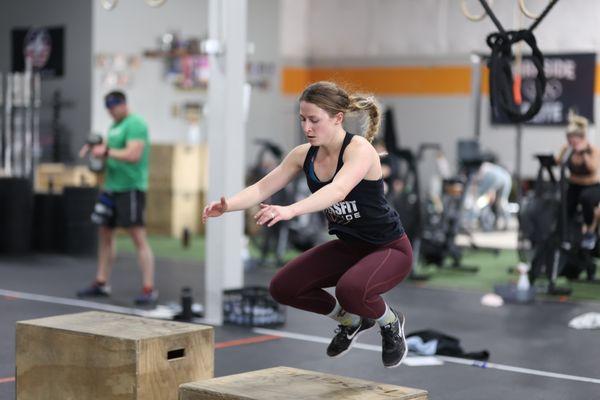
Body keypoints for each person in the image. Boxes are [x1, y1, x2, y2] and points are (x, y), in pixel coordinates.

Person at [203, 81, 412, 368]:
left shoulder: (359, 150)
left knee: (350, 290)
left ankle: (390, 323)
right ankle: (350, 321)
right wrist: (228, 206)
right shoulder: (303, 155)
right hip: (349, 248)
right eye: (303, 119)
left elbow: (337, 191)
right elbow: (263, 187)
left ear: (338, 118)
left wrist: (290, 210)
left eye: (314, 120)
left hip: (389, 249)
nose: (307, 127)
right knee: (283, 287)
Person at [77, 90, 157, 305]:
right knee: (105, 235)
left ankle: (148, 288)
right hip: (110, 188)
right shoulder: (113, 127)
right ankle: (101, 282)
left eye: (113, 108)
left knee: (138, 237)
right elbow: (109, 153)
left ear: (123, 104)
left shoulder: (135, 124)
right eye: (108, 109)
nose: (110, 113)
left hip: (131, 188)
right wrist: (96, 151)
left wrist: (105, 152)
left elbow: (133, 155)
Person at [555, 112, 600, 249]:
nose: (571, 141)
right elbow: (559, 162)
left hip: (591, 185)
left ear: (581, 138)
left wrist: (583, 153)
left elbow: (593, 168)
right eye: (569, 138)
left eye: (573, 138)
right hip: (574, 184)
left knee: (586, 199)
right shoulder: (567, 149)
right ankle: (564, 235)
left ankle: (590, 232)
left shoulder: (591, 150)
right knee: (565, 205)